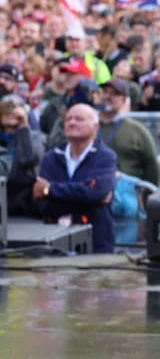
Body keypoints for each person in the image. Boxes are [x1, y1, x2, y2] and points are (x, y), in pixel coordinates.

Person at [32, 103, 117, 253]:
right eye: (68, 119)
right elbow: (42, 204)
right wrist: (87, 199)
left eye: (79, 119)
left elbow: (95, 192)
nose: (72, 123)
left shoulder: (105, 156)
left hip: (95, 245)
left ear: (95, 127)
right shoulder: (51, 157)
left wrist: (49, 189)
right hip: (54, 243)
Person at [98, 78, 160, 185]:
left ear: (124, 101)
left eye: (115, 94)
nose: (108, 96)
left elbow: (152, 168)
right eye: (105, 92)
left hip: (126, 193)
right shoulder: (87, 126)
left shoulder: (137, 130)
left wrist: (144, 195)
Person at [0, 97, 44, 214]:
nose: (10, 112)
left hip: (24, 202)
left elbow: (28, 159)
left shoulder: (35, 137)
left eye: (15, 108)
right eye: (5, 108)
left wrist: (24, 125)